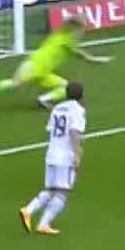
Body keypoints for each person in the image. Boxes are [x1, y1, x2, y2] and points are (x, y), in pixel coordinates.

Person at [0, 17, 112, 112]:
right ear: (76, 29)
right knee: (15, 83)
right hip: (34, 65)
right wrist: (98, 60)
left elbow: (67, 26)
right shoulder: (67, 40)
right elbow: (83, 56)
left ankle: (43, 100)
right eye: (82, 29)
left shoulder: (60, 34)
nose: (83, 32)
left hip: (44, 72)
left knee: (66, 87)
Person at [21, 80, 87, 235]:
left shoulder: (57, 108)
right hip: (65, 157)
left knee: (51, 190)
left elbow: (51, 130)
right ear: (82, 96)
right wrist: (77, 156)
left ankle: (34, 216)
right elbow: (74, 133)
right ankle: (35, 216)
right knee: (62, 193)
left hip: (51, 154)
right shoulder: (78, 110)